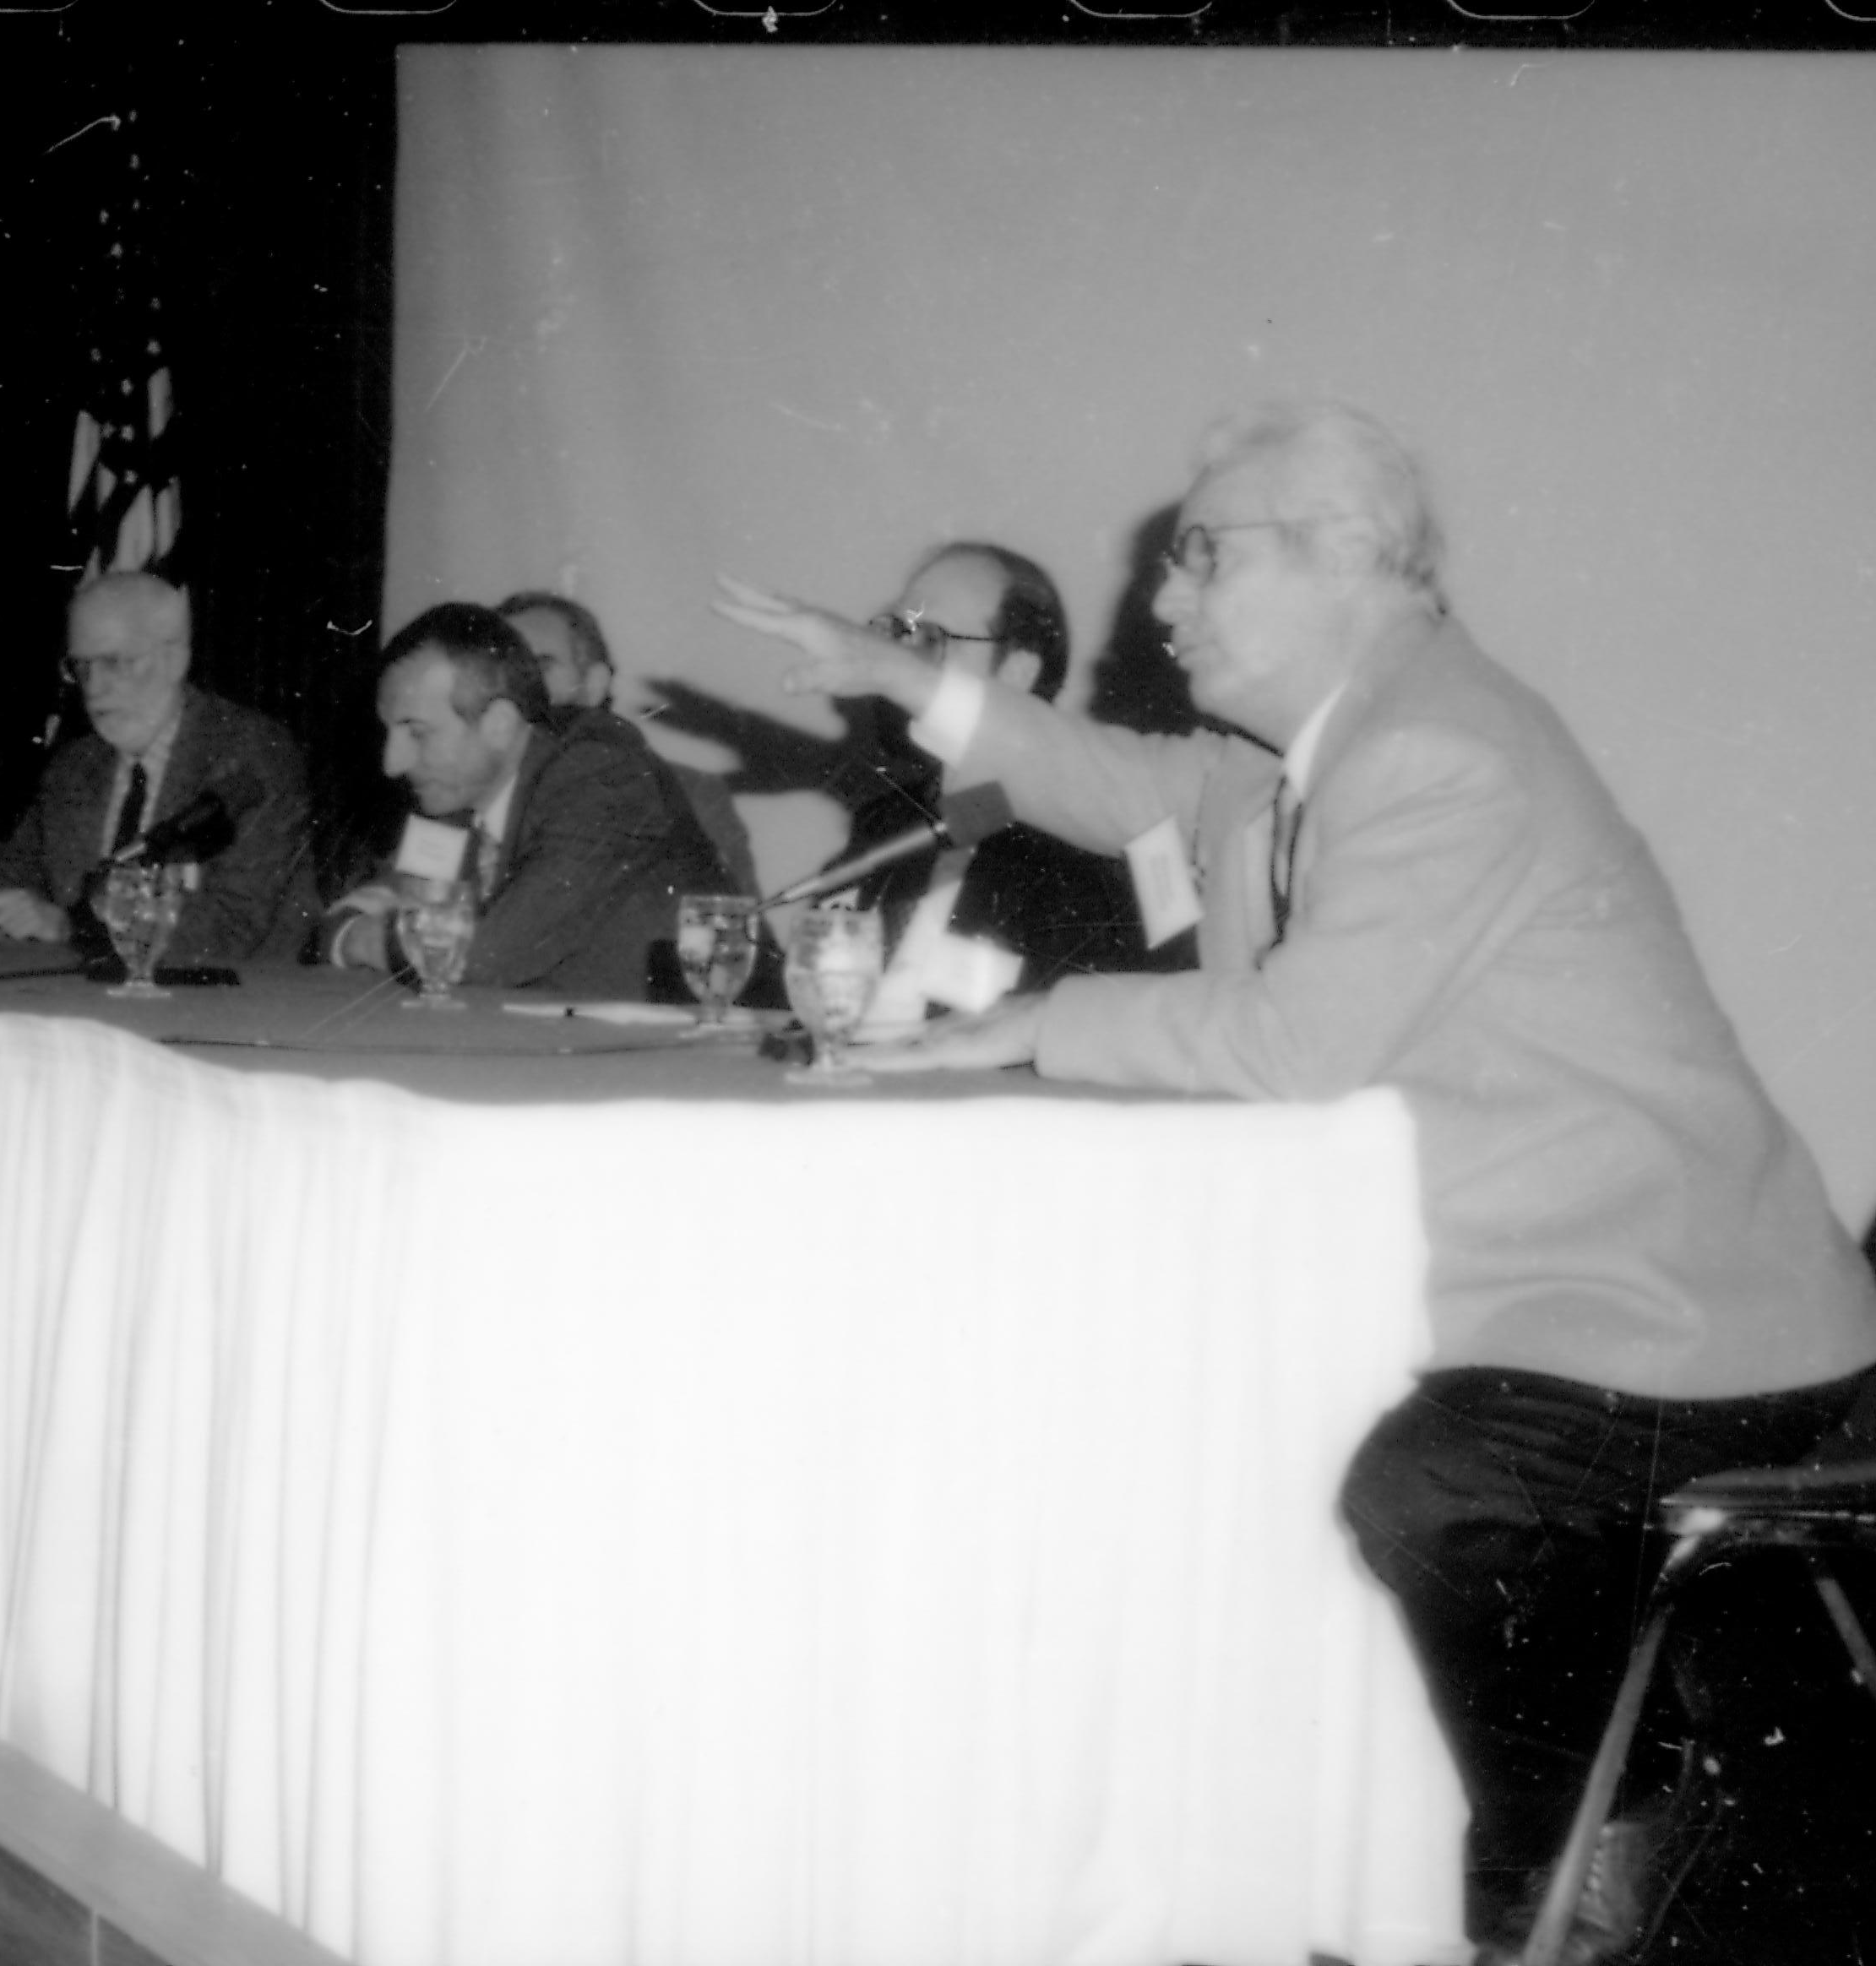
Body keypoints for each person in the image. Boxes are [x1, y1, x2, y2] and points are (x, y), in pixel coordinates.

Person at [715, 399, 1876, 1961]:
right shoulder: (1307, 752)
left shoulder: (1435, 743)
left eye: (1201, 555)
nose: (1159, 598)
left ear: (1352, 563)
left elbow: (1296, 1040)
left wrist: (1037, 1020)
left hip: (1675, 1314)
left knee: (1433, 1485)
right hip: (1545, 1295)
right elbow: (1103, 775)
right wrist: (904, 674)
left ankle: (1591, 1859)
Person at [329, 601, 731, 997]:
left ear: (500, 725)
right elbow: (349, 914)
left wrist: (364, 940)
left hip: (702, 1050)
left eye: (417, 733)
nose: (392, 764)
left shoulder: (603, 774)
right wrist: (360, 929)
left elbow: (484, 956)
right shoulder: (457, 796)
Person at [0, 572, 317, 969]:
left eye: (114, 662)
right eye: (81, 666)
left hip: (231, 1006)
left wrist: (72, 929)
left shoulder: (252, 756)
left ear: (175, 659)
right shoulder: (73, 769)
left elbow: (233, 927)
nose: (93, 688)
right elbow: (12, 873)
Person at [841, 543, 1172, 1003]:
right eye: (897, 632)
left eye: (931, 639)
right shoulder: (886, 820)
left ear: (1018, 673)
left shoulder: (1092, 848)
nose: (898, 661)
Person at [497, 590, 762, 896]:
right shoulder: (448, 798)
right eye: (497, 674)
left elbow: (733, 930)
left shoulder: (688, 796)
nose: (515, 690)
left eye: (540, 669)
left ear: (594, 685)